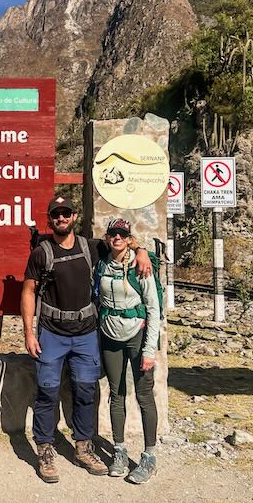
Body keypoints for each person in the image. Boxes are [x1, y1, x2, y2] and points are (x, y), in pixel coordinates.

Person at [21, 195, 151, 483]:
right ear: (50, 219)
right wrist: (29, 332)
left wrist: (140, 250)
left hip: (85, 334)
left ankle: (83, 447)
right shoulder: (41, 252)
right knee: (47, 392)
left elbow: (121, 241)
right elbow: (28, 291)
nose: (61, 218)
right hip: (51, 333)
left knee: (85, 391)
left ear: (74, 217)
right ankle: (44, 449)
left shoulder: (89, 246)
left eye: (66, 213)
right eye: (56, 214)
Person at [96, 218, 160, 484]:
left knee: (144, 395)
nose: (117, 238)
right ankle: (119, 451)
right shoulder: (101, 261)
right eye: (113, 233)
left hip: (136, 336)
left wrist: (149, 349)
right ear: (108, 237)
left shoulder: (139, 266)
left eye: (123, 234)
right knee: (116, 393)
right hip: (110, 336)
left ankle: (149, 456)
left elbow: (154, 308)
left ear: (129, 237)